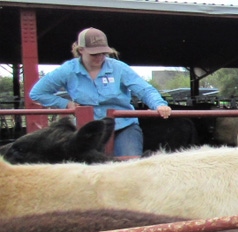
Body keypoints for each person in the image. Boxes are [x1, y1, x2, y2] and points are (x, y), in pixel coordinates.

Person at [29, 27, 172, 157]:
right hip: (88, 128)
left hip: (123, 125)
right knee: (87, 167)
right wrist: (66, 104)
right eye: (94, 54)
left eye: (103, 53)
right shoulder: (68, 70)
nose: (99, 57)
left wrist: (158, 105)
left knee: (130, 162)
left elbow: (144, 89)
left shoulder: (119, 68)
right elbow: (37, 93)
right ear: (81, 50)